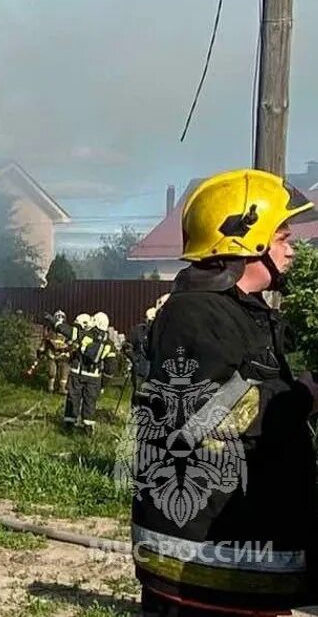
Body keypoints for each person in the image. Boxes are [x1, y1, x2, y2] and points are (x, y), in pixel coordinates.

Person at [128, 168, 318, 616]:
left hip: (234, 554)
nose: (292, 249)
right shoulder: (196, 315)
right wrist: (302, 399)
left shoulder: (237, 313)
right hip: (201, 564)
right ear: (245, 242)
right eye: (282, 237)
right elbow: (205, 413)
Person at [62, 311, 114, 433]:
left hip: (77, 373)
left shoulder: (85, 335)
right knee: (90, 402)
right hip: (94, 377)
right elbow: (111, 366)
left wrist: (56, 323)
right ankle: (88, 428)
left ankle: (69, 425)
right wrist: (103, 383)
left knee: (73, 398)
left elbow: (69, 332)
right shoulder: (109, 343)